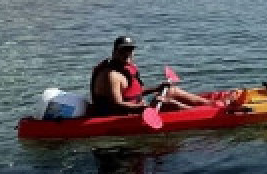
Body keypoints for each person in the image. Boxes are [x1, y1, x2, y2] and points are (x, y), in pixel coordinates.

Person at [89, 36, 217, 116]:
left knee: (171, 91)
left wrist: (157, 88)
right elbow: (117, 104)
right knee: (168, 103)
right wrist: (141, 108)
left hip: (134, 108)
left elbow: (135, 92)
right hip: (117, 114)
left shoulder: (126, 68)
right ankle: (211, 114)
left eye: (130, 50)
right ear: (114, 52)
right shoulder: (112, 76)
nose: (127, 53)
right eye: (123, 50)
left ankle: (212, 104)